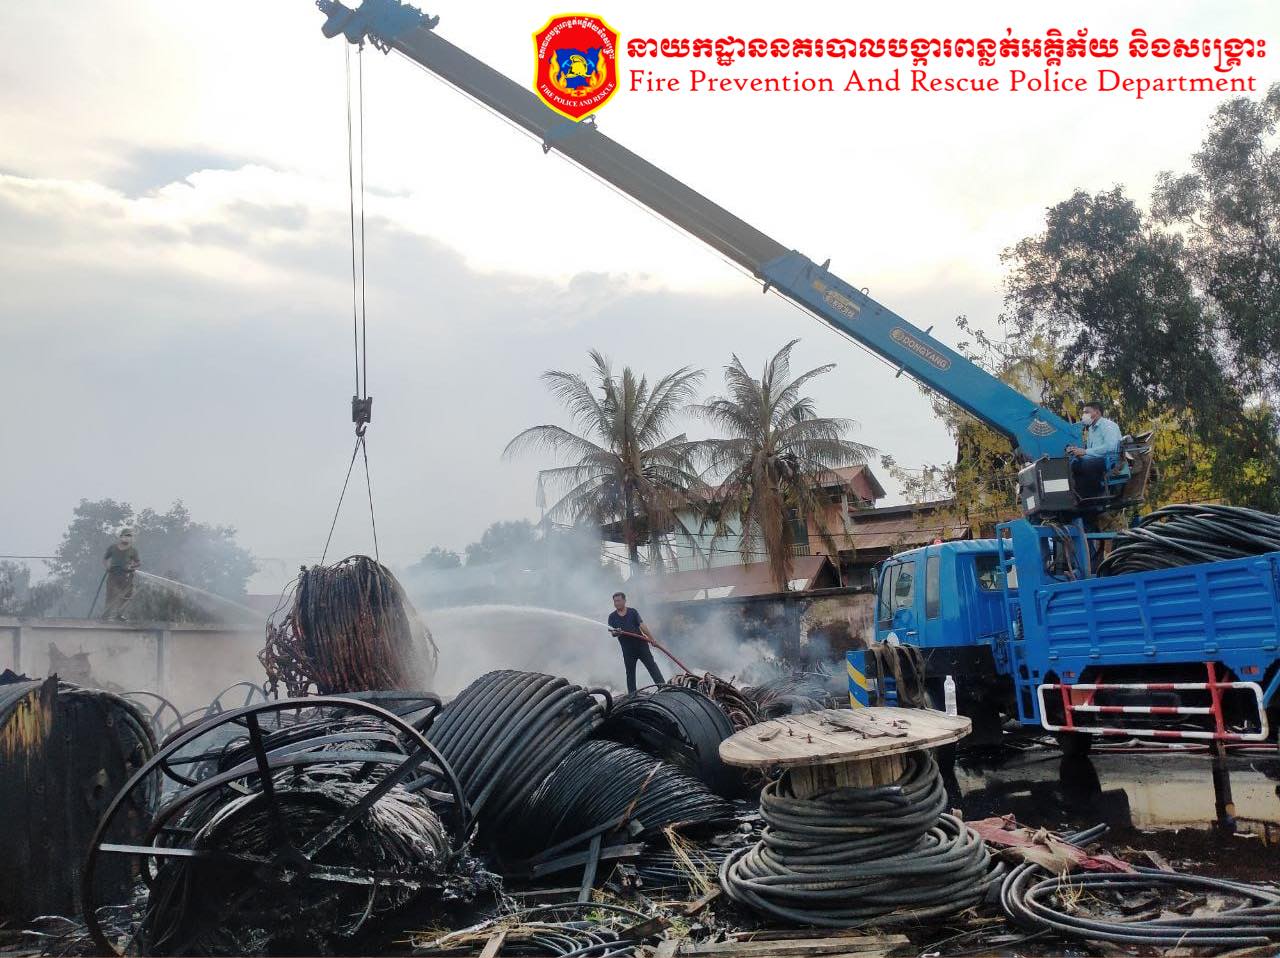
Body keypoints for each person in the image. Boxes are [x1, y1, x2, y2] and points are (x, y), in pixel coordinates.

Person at [606, 591, 664, 694]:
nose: (616, 603)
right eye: (615, 601)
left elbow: (642, 626)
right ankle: (632, 694)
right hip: (627, 649)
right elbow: (612, 633)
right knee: (630, 672)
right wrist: (617, 632)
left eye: (618, 601)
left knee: (652, 666)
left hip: (641, 645)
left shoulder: (632, 612)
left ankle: (663, 688)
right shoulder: (612, 617)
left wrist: (651, 639)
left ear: (624, 601)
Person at [1065, 400, 1122, 499]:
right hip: (1096, 459)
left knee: (1084, 465)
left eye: (1087, 412)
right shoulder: (1091, 429)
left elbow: (1110, 447)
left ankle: (1095, 496)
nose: (1084, 415)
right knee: (1072, 464)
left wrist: (1085, 452)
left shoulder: (1108, 426)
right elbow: (1091, 451)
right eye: (1084, 412)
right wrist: (1078, 452)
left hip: (1109, 460)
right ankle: (1081, 498)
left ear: (1097, 412)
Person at [102, 527, 141, 620]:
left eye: (129, 536)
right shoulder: (113, 548)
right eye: (125, 536)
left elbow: (138, 562)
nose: (127, 538)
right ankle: (106, 615)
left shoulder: (133, 550)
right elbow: (105, 559)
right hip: (113, 574)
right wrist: (107, 567)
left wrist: (132, 566)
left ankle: (119, 614)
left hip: (126, 575)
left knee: (127, 595)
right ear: (121, 537)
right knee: (111, 594)